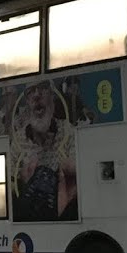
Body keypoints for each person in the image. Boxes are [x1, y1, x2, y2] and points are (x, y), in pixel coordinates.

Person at [10, 81, 79, 221]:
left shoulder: (67, 131)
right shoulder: (18, 141)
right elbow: (10, 182)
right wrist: (22, 181)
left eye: (42, 88)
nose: (37, 95)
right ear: (27, 104)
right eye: (30, 91)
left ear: (52, 97)